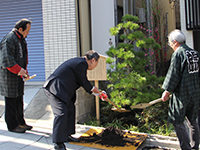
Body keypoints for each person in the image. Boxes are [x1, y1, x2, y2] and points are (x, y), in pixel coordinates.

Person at [43, 50, 104, 150]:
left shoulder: (80, 63)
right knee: (61, 113)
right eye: (96, 64)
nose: (95, 66)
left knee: (70, 109)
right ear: (93, 60)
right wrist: (94, 90)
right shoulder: (81, 63)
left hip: (64, 90)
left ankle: (67, 135)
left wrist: (98, 93)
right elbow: (84, 82)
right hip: (55, 89)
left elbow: (82, 82)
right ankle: (58, 144)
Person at [161, 29, 200, 150]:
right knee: (193, 121)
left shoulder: (178, 54)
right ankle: (195, 147)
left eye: (170, 43)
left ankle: (186, 148)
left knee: (177, 120)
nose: (170, 46)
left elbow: (174, 74)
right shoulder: (194, 53)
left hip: (182, 93)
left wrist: (166, 92)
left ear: (175, 42)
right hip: (195, 92)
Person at [0, 18, 33, 133]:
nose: (28, 33)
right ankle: (12, 125)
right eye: (27, 31)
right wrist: (19, 70)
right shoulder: (9, 39)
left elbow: (23, 58)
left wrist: (24, 71)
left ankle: (21, 122)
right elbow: (6, 60)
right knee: (11, 101)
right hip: (9, 76)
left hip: (18, 74)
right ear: (20, 29)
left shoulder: (21, 39)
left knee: (19, 99)